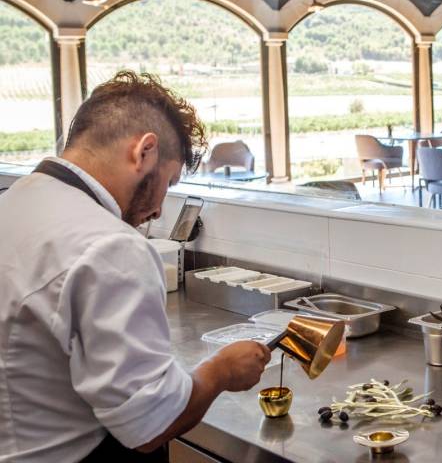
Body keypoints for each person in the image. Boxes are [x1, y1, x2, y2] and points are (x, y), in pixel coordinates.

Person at [0, 71, 271, 462]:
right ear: (144, 151)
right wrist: (221, 371)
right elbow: (151, 424)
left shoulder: (15, 201)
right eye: (169, 181)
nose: (160, 208)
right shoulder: (109, 246)